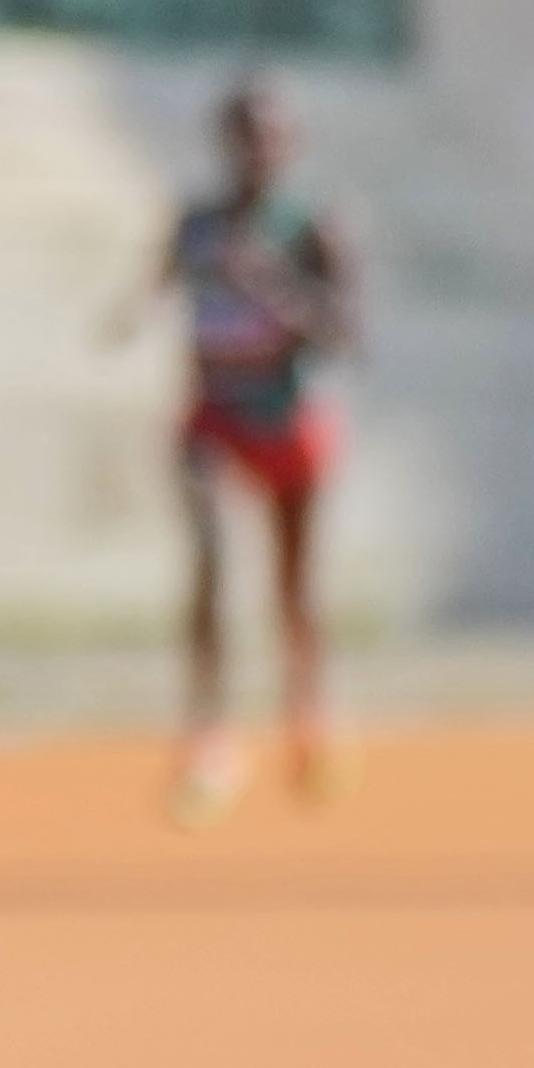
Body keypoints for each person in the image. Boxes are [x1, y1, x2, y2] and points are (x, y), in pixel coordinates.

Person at [133, 80, 351, 815]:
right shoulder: (198, 223)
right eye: (244, 136)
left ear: (288, 145)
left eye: (271, 137)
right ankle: (209, 738)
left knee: (294, 590)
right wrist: (130, 312)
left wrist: (273, 289)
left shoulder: (312, 225)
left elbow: (347, 332)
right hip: (215, 414)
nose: (257, 151)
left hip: (286, 418)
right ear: (225, 142)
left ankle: (307, 719)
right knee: (210, 568)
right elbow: (159, 281)